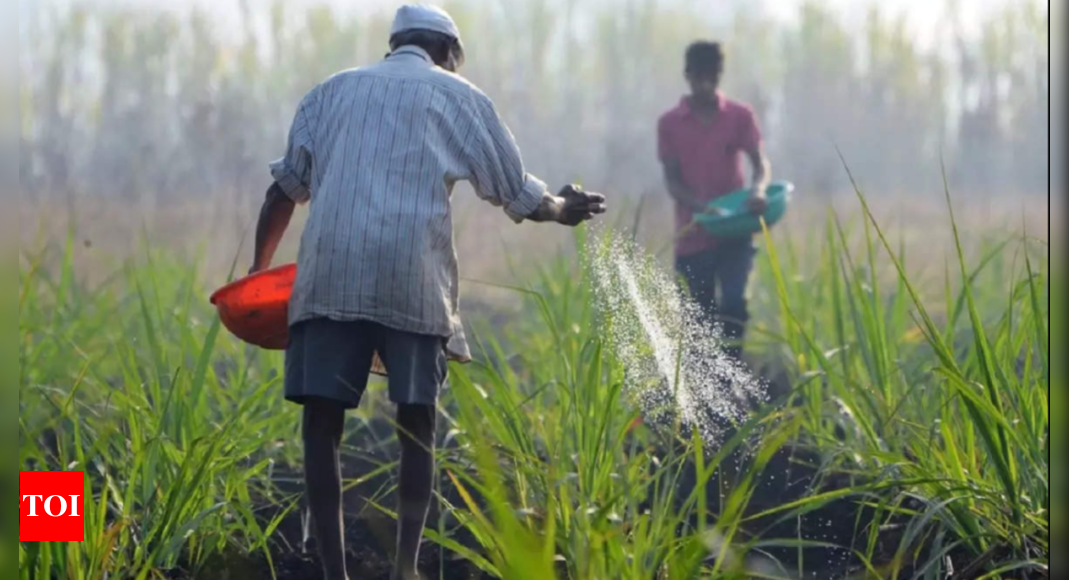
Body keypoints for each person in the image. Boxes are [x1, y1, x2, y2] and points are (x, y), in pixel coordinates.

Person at [247, 5, 606, 580]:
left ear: (394, 45)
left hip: (330, 271)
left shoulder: (330, 92)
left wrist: (258, 273)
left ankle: (333, 570)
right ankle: (406, 568)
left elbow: (282, 192)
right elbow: (518, 195)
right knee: (417, 421)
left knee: (322, 423)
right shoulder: (460, 96)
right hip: (411, 277)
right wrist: (564, 208)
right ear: (449, 54)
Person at [657, 41, 771, 361]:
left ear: (720, 75)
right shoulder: (669, 124)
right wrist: (699, 206)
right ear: (687, 76)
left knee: (735, 306)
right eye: (699, 78)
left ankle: (733, 380)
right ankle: (704, 395)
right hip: (693, 235)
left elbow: (760, 163)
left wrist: (758, 190)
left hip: (734, 232)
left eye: (713, 77)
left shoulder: (739, 116)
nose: (706, 85)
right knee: (698, 323)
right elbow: (672, 181)